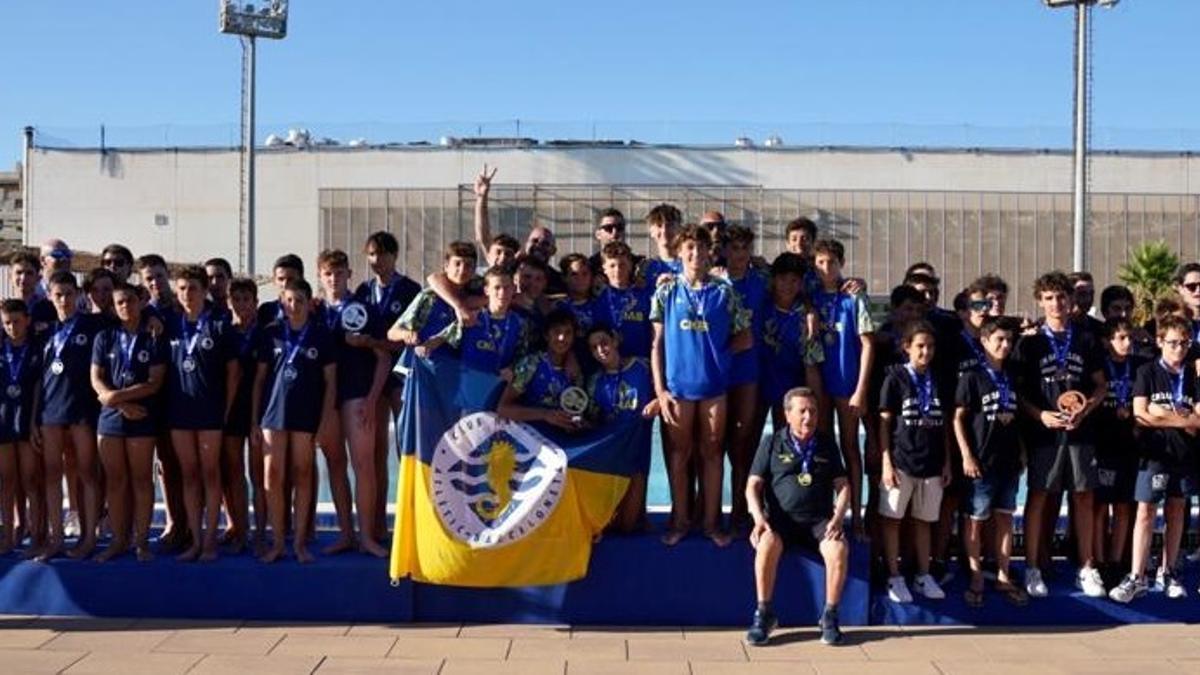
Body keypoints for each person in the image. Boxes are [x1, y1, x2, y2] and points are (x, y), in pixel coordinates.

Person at [651, 224, 751, 547]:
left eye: (701, 248)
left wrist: (720, 355)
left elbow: (745, 337)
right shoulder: (666, 291)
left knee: (712, 454)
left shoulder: (724, 292)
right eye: (689, 248)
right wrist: (661, 391)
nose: (695, 254)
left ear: (710, 252)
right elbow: (657, 344)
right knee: (680, 456)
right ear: (680, 252)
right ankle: (680, 520)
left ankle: (711, 523)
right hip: (678, 389)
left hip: (714, 390)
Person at [1015, 271, 1107, 599]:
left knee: (1083, 496)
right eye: (1050, 298)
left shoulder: (1085, 339)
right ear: (1040, 301)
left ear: (1071, 301)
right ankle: (1032, 567)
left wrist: (1086, 409)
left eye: (1062, 297)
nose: (1056, 303)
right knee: (1039, 496)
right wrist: (1040, 415)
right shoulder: (1029, 343)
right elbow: (1019, 391)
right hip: (1045, 434)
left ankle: (1086, 567)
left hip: (1081, 432)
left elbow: (1101, 384)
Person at [745, 387, 850, 647]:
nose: (808, 417)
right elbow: (752, 486)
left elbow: (844, 486)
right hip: (782, 522)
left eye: (813, 411)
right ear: (787, 414)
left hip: (819, 523)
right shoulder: (771, 443)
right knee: (766, 543)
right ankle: (764, 614)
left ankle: (829, 616)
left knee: (838, 549)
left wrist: (838, 517)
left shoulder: (827, 443)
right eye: (802, 411)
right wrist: (759, 519)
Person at [1110, 315, 1199, 603]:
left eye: (1184, 343)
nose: (1179, 349)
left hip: (1184, 454)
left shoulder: (1193, 376)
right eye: (1173, 343)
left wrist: (1162, 414)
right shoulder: (1147, 371)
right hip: (1154, 455)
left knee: (1177, 510)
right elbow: (1140, 414)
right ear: (1160, 342)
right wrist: (1179, 419)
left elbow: (1198, 420)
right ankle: (1137, 575)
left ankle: (1169, 570)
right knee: (1146, 511)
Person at [251, 278, 336, 564]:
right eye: (289, 300)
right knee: (271, 477)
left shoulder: (322, 335)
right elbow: (260, 380)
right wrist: (254, 420)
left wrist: (324, 422)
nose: (294, 305)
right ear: (281, 301)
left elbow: (331, 383)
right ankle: (277, 542)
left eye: (300, 300)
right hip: (272, 415)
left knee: (302, 475)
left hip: (306, 414)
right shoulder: (271, 333)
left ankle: (299, 543)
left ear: (309, 302)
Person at [318, 249, 392, 557]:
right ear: (320, 277)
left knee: (364, 465)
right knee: (335, 464)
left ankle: (367, 537)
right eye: (328, 274)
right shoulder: (314, 312)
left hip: (358, 395)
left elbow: (385, 357)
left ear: (349, 274)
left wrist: (373, 399)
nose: (334, 279)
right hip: (326, 400)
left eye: (339, 273)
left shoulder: (365, 310)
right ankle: (346, 534)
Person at [165, 266, 239, 562]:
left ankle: (210, 540)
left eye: (192, 288)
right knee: (189, 475)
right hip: (180, 412)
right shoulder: (169, 324)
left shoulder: (220, 324)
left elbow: (233, 372)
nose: (186, 294)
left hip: (210, 411)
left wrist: (226, 409)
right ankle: (195, 540)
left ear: (204, 289)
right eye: (181, 288)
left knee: (210, 474)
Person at [90, 282, 167, 562]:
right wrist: (118, 403)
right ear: (113, 306)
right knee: (115, 482)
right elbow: (96, 379)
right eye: (120, 302)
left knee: (141, 480)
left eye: (130, 301)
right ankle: (118, 540)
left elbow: (154, 382)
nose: (126, 306)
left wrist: (114, 396)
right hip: (111, 418)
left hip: (142, 416)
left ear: (140, 302)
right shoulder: (105, 337)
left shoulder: (153, 336)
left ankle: (142, 541)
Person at [953, 317, 1026, 607]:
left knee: (1005, 518)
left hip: (1008, 460)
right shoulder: (972, 376)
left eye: (1009, 340)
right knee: (976, 521)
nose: (1005, 345)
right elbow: (958, 418)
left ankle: (1003, 573)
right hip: (981, 460)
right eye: (999, 340)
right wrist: (966, 455)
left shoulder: (1014, 375)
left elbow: (1018, 418)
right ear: (984, 341)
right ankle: (975, 575)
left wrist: (1022, 451)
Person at [354, 230, 421, 541]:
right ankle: (378, 524)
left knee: (403, 448)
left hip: (400, 377)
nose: (376, 261)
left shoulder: (411, 290)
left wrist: (379, 343)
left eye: (382, 254)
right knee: (376, 451)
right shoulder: (363, 292)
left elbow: (412, 337)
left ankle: (409, 521)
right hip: (370, 377)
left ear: (395, 256)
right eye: (371, 255)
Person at [38, 271, 109, 561]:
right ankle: (55, 538)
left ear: (78, 295)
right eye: (58, 295)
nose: (64, 300)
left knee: (87, 474)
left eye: (69, 294)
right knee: (52, 475)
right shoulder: (45, 331)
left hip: (82, 410)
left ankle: (89, 536)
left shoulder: (94, 325)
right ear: (50, 297)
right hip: (51, 411)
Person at [879, 321, 950, 603]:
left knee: (924, 520)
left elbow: (944, 424)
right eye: (920, 346)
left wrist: (947, 462)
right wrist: (885, 461)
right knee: (893, 519)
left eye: (930, 346)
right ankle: (894, 575)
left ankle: (923, 574)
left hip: (932, 463)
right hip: (900, 460)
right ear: (906, 347)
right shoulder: (895, 377)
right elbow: (884, 422)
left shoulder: (940, 378)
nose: (926, 352)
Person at [811, 239, 874, 540]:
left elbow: (868, 344)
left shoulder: (853, 298)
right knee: (822, 447)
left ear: (841, 264)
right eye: (820, 263)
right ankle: (825, 513)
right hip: (819, 385)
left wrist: (861, 389)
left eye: (831, 263)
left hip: (847, 384)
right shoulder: (809, 296)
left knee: (850, 447)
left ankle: (857, 518)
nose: (826, 269)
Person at [586, 325, 659, 533]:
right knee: (611, 524)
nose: (601, 350)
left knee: (628, 525)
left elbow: (667, 388)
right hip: (612, 459)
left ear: (615, 341)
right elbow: (591, 420)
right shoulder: (594, 382)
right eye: (594, 348)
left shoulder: (643, 366)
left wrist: (658, 402)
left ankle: (637, 513)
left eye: (604, 343)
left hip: (638, 451)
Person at [722, 226, 769, 531]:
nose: (739, 255)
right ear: (724, 251)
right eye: (734, 249)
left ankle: (742, 510)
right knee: (711, 445)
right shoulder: (713, 281)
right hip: (717, 371)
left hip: (748, 371)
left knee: (742, 442)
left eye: (745, 249)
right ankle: (707, 509)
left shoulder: (762, 283)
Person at [1093, 318, 1145, 582]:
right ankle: (1099, 560)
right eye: (1121, 338)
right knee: (1100, 506)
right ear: (1107, 340)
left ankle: (1116, 560)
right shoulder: (1099, 366)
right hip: (1104, 444)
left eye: (1130, 339)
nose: (1127, 343)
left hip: (1130, 445)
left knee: (1124, 505)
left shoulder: (1140, 367)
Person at [419, 266, 528, 377]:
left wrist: (510, 370)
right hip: (468, 383)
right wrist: (426, 347)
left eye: (506, 288)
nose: (502, 293)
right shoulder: (471, 317)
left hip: (497, 384)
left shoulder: (520, 323)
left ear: (514, 289)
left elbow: (522, 356)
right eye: (497, 288)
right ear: (487, 290)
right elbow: (444, 337)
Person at [758, 253, 824, 428]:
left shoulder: (806, 318)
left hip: (791, 386)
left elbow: (811, 365)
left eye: (794, 280)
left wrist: (816, 404)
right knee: (748, 438)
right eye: (782, 279)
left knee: (786, 436)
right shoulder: (761, 304)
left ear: (801, 284)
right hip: (757, 383)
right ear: (772, 280)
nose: (787, 285)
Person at [0, 300, 44, 557]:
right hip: (3, 421)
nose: (12, 327)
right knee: (6, 482)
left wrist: (33, 422)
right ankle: (7, 537)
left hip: (27, 420)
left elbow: (39, 387)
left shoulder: (37, 350)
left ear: (27, 320)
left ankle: (37, 536)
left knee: (30, 480)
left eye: (16, 321)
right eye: (6, 323)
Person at [223, 277, 263, 554]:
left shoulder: (268, 332)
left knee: (259, 474)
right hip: (232, 409)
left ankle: (261, 532)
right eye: (236, 299)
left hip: (261, 409)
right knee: (234, 471)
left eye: (246, 299)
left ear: (256, 302)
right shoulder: (223, 332)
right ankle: (239, 529)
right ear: (228, 303)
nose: (241, 305)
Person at [498, 308, 584, 426]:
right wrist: (544, 414)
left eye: (568, 333)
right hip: (531, 437)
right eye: (557, 332)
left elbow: (576, 413)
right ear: (546, 335)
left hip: (562, 440)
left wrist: (576, 423)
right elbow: (504, 409)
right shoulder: (531, 364)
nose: (562, 338)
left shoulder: (575, 370)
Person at [595, 242, 653, 360]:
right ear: (604, 268)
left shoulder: (644, 295)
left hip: (640, 361)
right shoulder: (599, 299)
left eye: (622, 265)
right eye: (612, 266)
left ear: (630, 265)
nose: (617, 270)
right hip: (609, 364)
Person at [638, 204, 682, 286]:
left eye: (670, 225)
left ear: (679, 228)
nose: (664, 231)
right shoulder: (646, 268)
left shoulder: (689, 264)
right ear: (651, 232)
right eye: (659, 226)